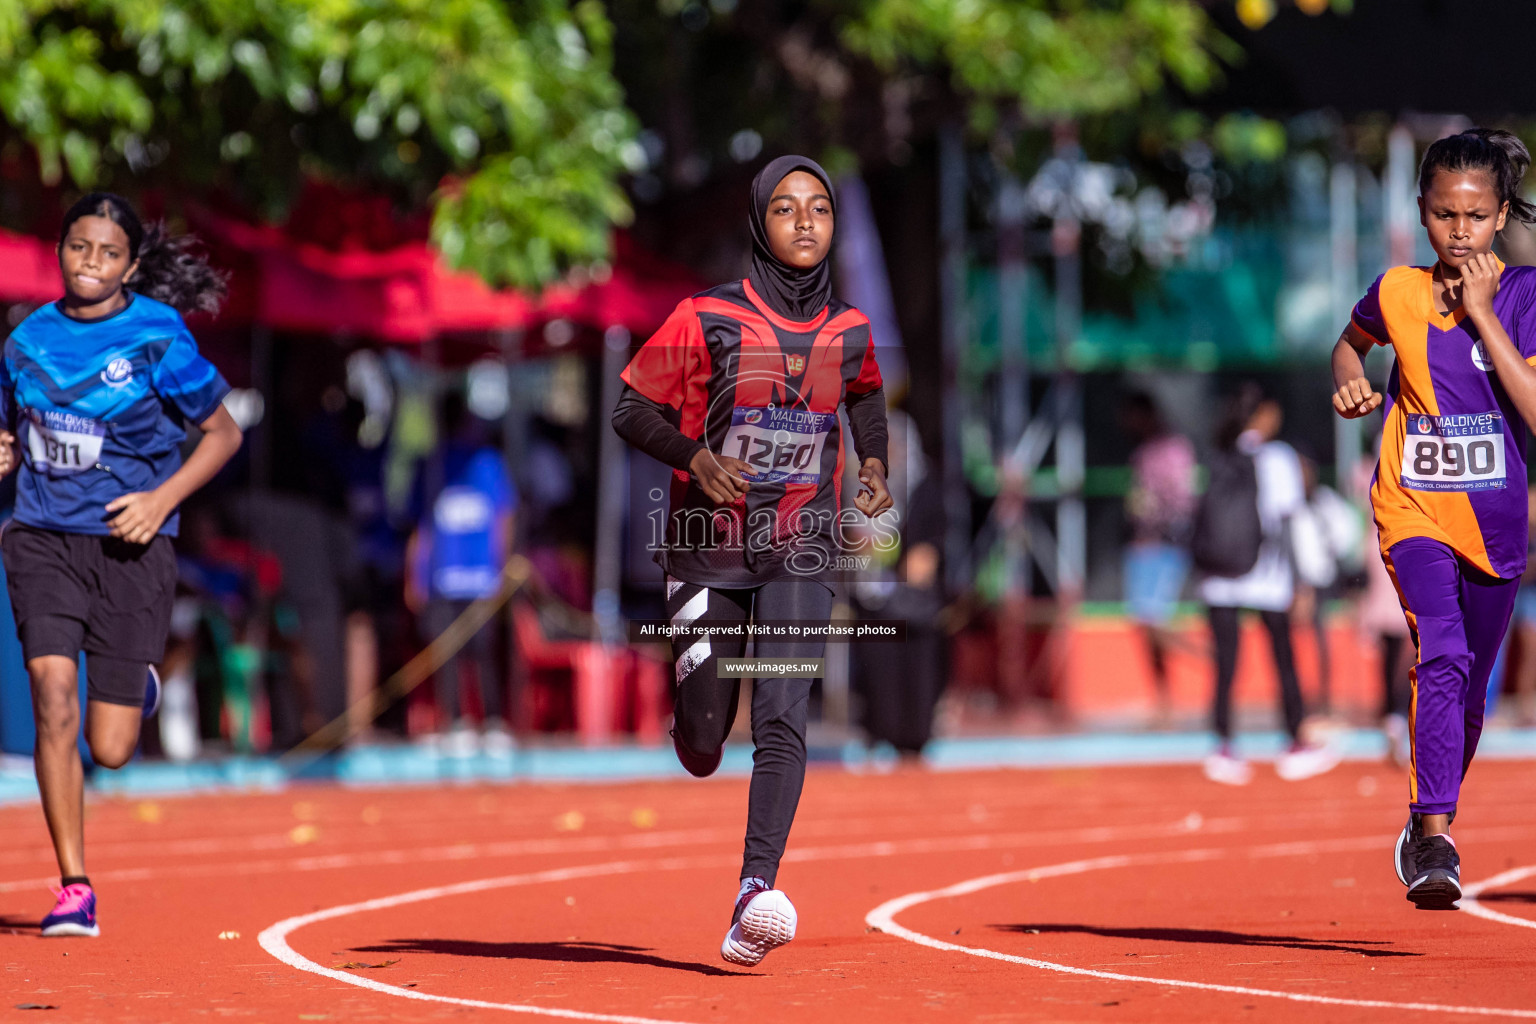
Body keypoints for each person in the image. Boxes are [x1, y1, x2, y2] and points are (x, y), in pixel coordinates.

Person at [612, 155, 891, 966]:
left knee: (783, 714)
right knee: (706, 740)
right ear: (758, 224)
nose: (806, 222)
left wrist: (871, 466)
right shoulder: (706, 317)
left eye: (820, 210)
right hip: (708, 548)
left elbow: (867, 396)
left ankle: (753, 892)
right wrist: (695, 458)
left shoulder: (851, 331)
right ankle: (692, 720)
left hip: (799, 547)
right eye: (786, 209)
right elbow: (631, 407)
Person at [0, 193, 243, 935]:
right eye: (79, 248)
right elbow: (15, 432)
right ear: (62, 251)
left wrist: (159, 499)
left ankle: (136, 685)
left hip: (130, 545)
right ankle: (74, 885)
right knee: (50, 694)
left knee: (108, 749)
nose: (90, 264)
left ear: (131, 265)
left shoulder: (158, 338)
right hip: (41, 535)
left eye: (107, 253)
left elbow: (223, 434)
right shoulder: (24, 341)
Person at [1331, 128, 1536, 909]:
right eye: (1446, 215)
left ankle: (1431, 816)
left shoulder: (1525, 298)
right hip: (1411, 508)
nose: (1461, 231)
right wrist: (1349, 376)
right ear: (1423, 213)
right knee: (1441, 654)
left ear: (1501, 215)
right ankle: (1433, 833)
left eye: (1478, 217)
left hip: (1495, 526)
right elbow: (1348, 345)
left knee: (1472, 691)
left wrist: (1483, 316)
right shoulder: (1395, 292)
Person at [1197, 384, 1339, 785]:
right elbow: (1289, 520)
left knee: (1225, 664)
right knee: (1283, 658)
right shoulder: (1278, 457)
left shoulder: (1220, 452)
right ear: (1262, 415)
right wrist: (1301, 583)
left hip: (1219, 577)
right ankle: (1294, 741)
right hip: (1267, 575)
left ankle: (1223, 745)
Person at [406, 390, 517, 756]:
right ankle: (456, 723)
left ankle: (494, 722)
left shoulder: (488, 462)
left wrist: (499, 566)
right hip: (442, 578)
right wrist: (416, 576)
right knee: (447, 654)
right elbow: (420, 526)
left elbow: (504, 516)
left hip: (480, 577)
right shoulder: (432, 464)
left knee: (482, 652)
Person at [1120, 389, 1197, 722]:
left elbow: (1184, 500)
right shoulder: (1140, 453)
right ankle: (1164, 702)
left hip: (1167, 546)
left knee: (1154, 622)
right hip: (1142, 545)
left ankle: (1211, 656)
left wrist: (1156, 508)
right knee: (1143, 624)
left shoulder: (1175, 449)